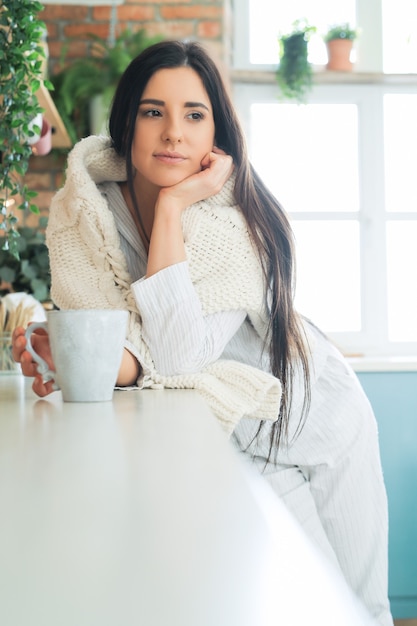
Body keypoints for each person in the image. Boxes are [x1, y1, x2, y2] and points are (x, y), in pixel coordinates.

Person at [12, 40, 393, 625]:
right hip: (220, 430)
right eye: (152, 111)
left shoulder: (230, 218)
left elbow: (177, 354)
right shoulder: (81, 209)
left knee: (351, 608)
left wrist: (172, 208)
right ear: (125, 121)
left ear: (216, 132)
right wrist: (59, 347)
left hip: (312, 420)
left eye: (194, 115)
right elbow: (98, 328)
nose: (173, 133)